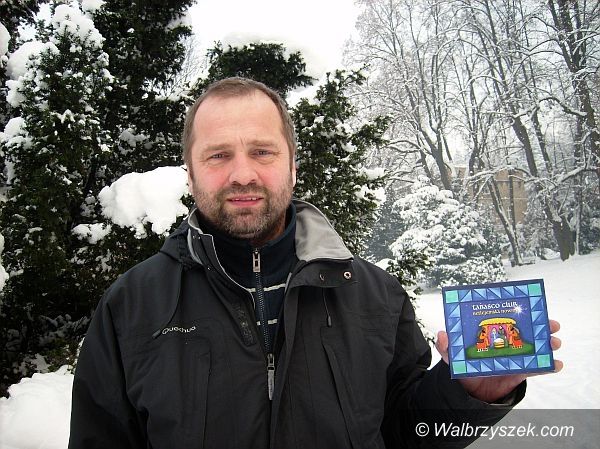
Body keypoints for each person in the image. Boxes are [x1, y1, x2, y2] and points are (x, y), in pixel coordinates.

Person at [68, 77, 562, 449]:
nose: (242, 173)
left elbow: (404, 433)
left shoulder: (377, 297)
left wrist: (469, 395)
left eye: (262, 151)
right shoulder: (131, 306)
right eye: (218, 155)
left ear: (292, 165)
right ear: (191, 173)